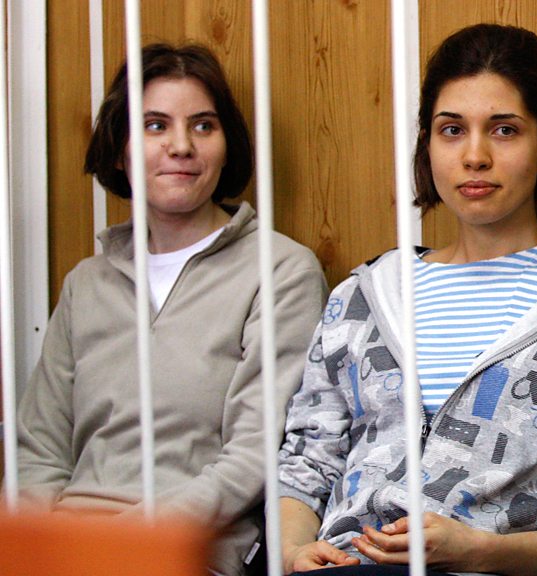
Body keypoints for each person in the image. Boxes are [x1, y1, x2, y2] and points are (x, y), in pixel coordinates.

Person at [277, 23, 537, 576]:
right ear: (427, 145)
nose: (474, 155)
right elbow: (305, 465)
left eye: (504, 130)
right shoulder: (360, 298)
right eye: (451, 130)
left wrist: (479, 550)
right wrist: (292, 551)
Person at [16, 43, 327, 576]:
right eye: (155, 125)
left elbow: (255, 454)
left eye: (203, 126)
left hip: (188, 553)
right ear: (120, 150)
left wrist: (132, 542)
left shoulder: (281, 270)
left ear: (227, 148)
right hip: (66, 547)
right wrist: (42, 546)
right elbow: (38, 451)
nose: (181, 146)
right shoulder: (85, 284)